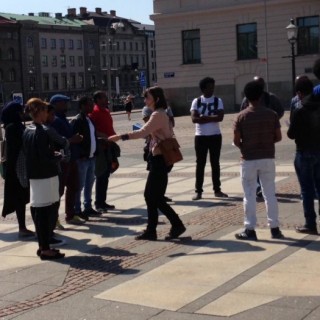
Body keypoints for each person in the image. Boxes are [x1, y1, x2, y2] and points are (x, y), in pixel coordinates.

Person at [109, 86, 186, 241]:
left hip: (159, 159)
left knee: (153, 196)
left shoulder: (158, 114)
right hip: (159, 158)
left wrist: (119, 137)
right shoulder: (160, 113)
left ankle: (173, 225)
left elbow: (142, 132)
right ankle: (157, 229)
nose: (145, 100)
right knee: (153, 196)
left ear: (156, 99)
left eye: (147, 97)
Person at [233, 81, 283, 240]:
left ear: (246, 97)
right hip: (267, 157)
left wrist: (243, 146)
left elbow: (236, 140)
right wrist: (267, 143)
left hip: (248, 158)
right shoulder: (271, 114)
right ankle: (275, 228)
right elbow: (278, 137)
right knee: (270, 194)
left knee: (249, 195)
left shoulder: (241, 116)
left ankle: (250, 228)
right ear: (261, 96)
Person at [23, 98, 65, 260]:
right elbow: (44, 157)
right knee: (47, 211)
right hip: (45, 176)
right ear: (40, 112)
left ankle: (43, 246)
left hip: (35, 176)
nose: (47, 113)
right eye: (45, 111)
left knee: (40, 210)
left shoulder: (28, 130)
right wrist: (57, 157)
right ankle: (45, 247)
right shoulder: (42, 131)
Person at [240, 76, 284, 198]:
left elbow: (280, 111)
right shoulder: (246, 99)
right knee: (255, 162)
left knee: (264, 161)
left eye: (261, 84)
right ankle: (258, 187)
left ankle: (262, 187)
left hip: (266, 134)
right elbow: (242, 115)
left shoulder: (271, 98)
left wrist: (272, 122)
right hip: (251, 135)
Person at [287, 74, 320, 235]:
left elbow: (291, 134)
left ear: (299, 93)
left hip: (304, 152)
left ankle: (310, 223)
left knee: (307, 190)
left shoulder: (300, 109)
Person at [190, 77, 228, 201]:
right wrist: (211, 117)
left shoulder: (218, 100)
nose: (212, 89)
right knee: (200, 164)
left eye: (213, 87)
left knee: (215, 163)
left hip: (215, 136)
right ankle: (198, 191)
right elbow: (194, 119)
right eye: (210, 87)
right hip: (200, 136)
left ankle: (217, 190)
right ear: (203, 88)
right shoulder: (196, 101)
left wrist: (204, 118)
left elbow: (220, 117)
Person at [1, 101, 34, 239]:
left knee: (22, 197)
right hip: (17, 167)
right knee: (19, 198)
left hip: (20, 166)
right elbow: (15, 148)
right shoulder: (12, 127)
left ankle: (23, 227)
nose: (23, 114)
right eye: (20, 111)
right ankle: (22, 227)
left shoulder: (17, 126)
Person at [49, 94, 84, 225]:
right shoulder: (55, 120)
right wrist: (72, 140)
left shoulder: (63, 118)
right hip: (63, 161)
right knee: (59, 190)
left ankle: (70, 214)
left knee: (73, 187)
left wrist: (74, 138)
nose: (67, 105)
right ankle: (54, 218)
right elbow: (56, 141)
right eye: (64, 103)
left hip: (72, 158)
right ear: (56, 104)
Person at [71, 96, 100, 220]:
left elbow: (93, 136)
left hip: (91, 157)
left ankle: (87, 207)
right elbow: (75, 139)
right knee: (80, 185)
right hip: (83, 158)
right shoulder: (78, 120)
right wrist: (80, 155)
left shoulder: (89, 119)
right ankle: (77, 209)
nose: (92, 107)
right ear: (82, 106)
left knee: (89, 183)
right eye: (89, 104)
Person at [89, 91, 116, 213]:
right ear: (98, 99)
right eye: (104, 98)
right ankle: (98, 203)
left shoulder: (106, 111)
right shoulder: (94, 112)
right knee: (101, 174)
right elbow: (92, 130)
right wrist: (102, 136)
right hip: (101, 148)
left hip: (109, 146)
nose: (107, 99)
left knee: (106, 175)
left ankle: (103, 201)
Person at [142, 106, 173, 203]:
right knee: (154, 170)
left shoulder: (166, 108)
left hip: (167, 142)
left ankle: (160, 195)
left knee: (166, 169)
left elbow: (172, 123)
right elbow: (147, 124)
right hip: (153, 144)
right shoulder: (147, 108)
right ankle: (155, 194)